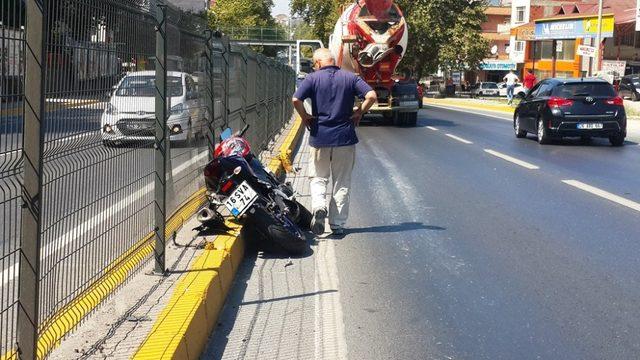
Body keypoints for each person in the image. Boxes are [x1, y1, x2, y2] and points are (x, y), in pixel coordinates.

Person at [292, 49, 377, 236]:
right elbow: (371, 96)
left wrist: (305, 116)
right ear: (332, 61)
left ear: (318, 63)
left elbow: (296, 99)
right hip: (345, 138)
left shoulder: (312, 79)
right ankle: (337, 224)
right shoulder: (350, 78)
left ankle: (319, 207)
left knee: (318, 177)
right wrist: (359, 112)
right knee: (342, 181)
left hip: (319, 136)